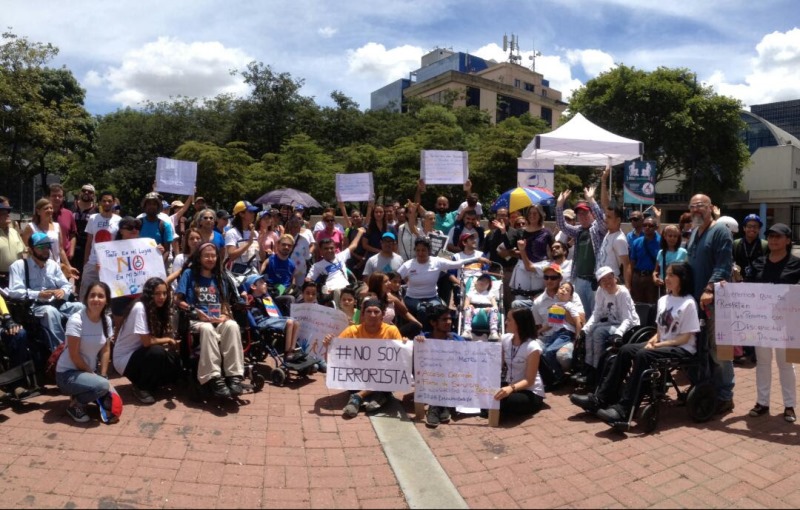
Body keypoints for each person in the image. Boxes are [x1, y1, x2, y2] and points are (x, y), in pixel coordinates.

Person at [578, 263, 701, 425]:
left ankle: (624, 409)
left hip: (682, 348)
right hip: (663, 344)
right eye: (667, 274)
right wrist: (652, 342)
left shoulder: (689, 303)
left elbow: (685, 338)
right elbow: (660, 332)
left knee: (644, 355)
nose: (667, 278)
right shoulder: (664, 300)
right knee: (625, 350)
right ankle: (601, 398)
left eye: (672, 275)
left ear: (682, 279)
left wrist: (657, 346)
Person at [743, 223, 799, 423]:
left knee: (786, 364)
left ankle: (789, 405)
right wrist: (727, 286)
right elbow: (746, 288)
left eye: (778, 236)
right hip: (761, 323)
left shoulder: (796, 264)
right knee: (763, 363)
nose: (774, 240)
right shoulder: (759, 263)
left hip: (786, 323)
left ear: (787, 240)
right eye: (771, 236)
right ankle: (762, 402)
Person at [175, 243, 246, 398]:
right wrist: (194, 311)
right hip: (196, 320)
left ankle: (234, 376)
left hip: (216, 319)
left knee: (232, 325)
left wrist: (225, 316)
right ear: (199, 258)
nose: (210, 259)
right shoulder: (189, 274)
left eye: (213, 256)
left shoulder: (220, 277)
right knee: (207, 329)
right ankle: (214, 378)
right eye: (206, 255)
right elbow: (177, 300)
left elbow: (225, 305)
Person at [685, 194, 734, 415]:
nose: (696, 210)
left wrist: (709, 289)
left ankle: (725, 396)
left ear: (710, 208)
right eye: (692, 206)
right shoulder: (694, 232)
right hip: (694, 301)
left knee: (719, 350)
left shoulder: (721, 231)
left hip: (716, 301)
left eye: (700, 206)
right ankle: (706, 389)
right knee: (701, 348)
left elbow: (723, 265)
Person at [322, 298, 403, 418]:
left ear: (383, 315)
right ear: (363, 314)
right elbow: (332, 361)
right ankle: (376, 397)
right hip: (357, 379)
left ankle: (358, 397)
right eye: (369, 311)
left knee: (388, 368)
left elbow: (400, 359)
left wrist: (404, 345)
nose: (372, 315)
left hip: (383, 377)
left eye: (376, 312)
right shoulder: (352, 331)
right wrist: (328, 347)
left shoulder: (391, 331)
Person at [7, 233, 85, 352]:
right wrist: (38, 294)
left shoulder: (53, 265)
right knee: (50, 312)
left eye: (47, 246)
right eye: (41, 247)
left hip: (56, 303)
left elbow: (66, 285)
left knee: (80, 307)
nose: (45, 250)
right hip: (34, 306)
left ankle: (83, 346)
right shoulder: (19, 266)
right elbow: (14, 292)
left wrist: (62, 291)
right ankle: (61, 352)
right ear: (31, 249)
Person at [113, 277, 181, 404]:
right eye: (157, 293)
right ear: (150, 294)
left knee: (174, 360)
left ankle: (156, 381)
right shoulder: (140, 307)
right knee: (157, 352)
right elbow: (147, 342)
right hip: (125, 359)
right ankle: (141, 387)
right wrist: (168, 339)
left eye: (164, 293)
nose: (162, 297)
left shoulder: (157, 308)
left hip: (140, 353)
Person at [55, 282, 113, 423]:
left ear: (106, 301)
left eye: (101, 296)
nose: (96, 299)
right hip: (66, 374)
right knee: (101, 386)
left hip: (86, 372)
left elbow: (105, 350)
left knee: (107, 395)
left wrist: (103, 375)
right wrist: (95, 377)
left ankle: (82, 393)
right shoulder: (76, 320)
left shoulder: (107, 320)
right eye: (92, 295)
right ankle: (76, 406)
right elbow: (74, 356)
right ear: (86, 298)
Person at [397, 237, 489, 323]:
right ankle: (422, 334)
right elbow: (395, 277)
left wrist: (477, 259)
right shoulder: (408, 265)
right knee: (423, 310)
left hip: (432, 297)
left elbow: (458, 264)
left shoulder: (437, 262)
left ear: (429, 251)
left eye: (423, 250)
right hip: (412, 298)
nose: (420, 253)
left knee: (440, 311)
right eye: (418, 250)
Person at [577, 266, 639, 390]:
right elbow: (597, 313)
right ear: (599, 282)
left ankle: (598, 371)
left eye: (610, 278)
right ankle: (589, 367)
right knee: (590, 332)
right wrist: (585, 329)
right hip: (612, 323)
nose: (607, 282)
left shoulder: (622, 292)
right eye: (603, 280)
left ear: (615, 278)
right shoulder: (601, 291)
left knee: (598, 332)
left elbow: (627, 319)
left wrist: (619, 333)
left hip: (628, 326)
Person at [555, 183, 607, 318]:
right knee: (581, 315)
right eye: (579, 214)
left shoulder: (598, 230)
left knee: (596, 316)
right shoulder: (578, 231)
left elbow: (602, 220)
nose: (582, 216)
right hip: (579, 280)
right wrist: (559, 205)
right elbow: (562, 225)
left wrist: (591, 200)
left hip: (594, 281)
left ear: (592, 214)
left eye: (585, 213)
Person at [413, 304, 466, 428]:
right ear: (433, 322)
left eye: (450, 319)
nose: (449, 322)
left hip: (451, 383)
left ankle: (438, 405)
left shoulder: (458, 340)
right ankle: (441, 405)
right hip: (429, 382)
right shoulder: (423, 338)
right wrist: (414, 343)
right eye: (444, 319)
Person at [532, 265, 584, 388]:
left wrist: (578, 337)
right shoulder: (539, 302)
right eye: (546, 277)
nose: (549, 280)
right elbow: (549, 324)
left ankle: (560, 376)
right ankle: (550, 377)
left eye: (553, 277)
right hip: (551, 335)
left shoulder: (571, 299)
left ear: (560, 278)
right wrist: (537, 333)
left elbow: (580, 320)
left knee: (560, 356)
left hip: (566, 335)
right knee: (540, 351)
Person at [494, 308, 546, 419]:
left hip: (530, 391)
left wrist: (510, 389)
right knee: (489, 395)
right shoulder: (504, 339)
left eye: (509, 320)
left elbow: (529, 380)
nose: (506, 322)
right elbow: (498, 365)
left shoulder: (532, 347)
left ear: (519, 323)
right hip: (510, 386)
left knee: (501, 401)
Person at [244, 274, 302, 362]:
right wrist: (244, 298)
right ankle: (287, 353)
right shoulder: (250, 299)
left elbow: (276, 315)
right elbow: (249, 315)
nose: (265, 284)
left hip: (269, 319)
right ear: (253, 286)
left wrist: (270, 302)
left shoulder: (266, 297)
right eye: (262, 282)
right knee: (289, 322)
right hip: (261, 322)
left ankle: (292, 349)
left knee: (296, 322)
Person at [79, 191, 121, 302]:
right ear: (100, 203)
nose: (107, 203)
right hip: (92, 262)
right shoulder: (93, 218)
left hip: (110, 264)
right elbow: (89, 242)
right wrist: (85, 263)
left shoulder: (119, 220)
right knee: (85, 293)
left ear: (114, 202)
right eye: (104, 201)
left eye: (109, 201)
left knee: (107, 294)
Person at [22, 198, 77, 278]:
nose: (50, 210)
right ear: (38, 211)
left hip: (55, 267)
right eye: (46, 208)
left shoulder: (57, 226)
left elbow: (60, 249)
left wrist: (68, 266)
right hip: (38, 267)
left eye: (51, 208)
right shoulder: (31, 227)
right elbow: (26, 249)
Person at [365, 271, 422, 337]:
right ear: (378, 284)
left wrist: (419, 325)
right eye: (386, 281)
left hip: (390, 332)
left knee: (415, 326)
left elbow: (404, 312)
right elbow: (362, 322)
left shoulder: (391, 298)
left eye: (389, 281)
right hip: (374, 334)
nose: (389, 283)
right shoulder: (369, 300)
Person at [629, 216, 662, 305]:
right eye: (645, 225)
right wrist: (630, 281)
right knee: (637, 305)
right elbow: (632, 263)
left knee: (652, 306)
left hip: (652, 279)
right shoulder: (636, 242)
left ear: (656, 227)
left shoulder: (661, 242)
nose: (647, 227)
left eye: (650, 225)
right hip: (637, 277)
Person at [597, 206, 632, 289]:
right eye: (606, 216)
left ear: (618, 220)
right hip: (602, 282)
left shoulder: (619, 239)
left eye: (609, 217)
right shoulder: (608, 233)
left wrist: (627, 288)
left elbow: (626, 264)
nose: (605, 220)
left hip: (612, 283)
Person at [461, 273, 500, 341]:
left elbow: (495, 306)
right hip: (474, 310)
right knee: (468, 309)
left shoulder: (490, 294)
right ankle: (467, 330)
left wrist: (490, 308)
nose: (484, 283)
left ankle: (493, 331)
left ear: (488, 286)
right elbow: (465, 306)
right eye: (482, 280)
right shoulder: (470, 293)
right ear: (476, 282)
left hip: (487, 311)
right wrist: (469, 305)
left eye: (486, 282)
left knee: (495, 310)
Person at [139, 192, 175, 263]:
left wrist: (159, 266)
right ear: (145, 207)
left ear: (158, 207)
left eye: (154, 204)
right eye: (149, 204)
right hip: (139, 264)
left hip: (158, 265)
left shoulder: (165, 225)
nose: (151, 206)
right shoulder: (138, 224)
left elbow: (167, 250)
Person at [225, 200, 260, 273]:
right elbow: (231, 256)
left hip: (255, 270)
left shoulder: (255, 233)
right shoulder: (232, 233)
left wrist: (260, 241)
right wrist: (248, 243)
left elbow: (261, 257)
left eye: (253, 212)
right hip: (239, 274)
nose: (253, 214)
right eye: (250, 212)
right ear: (241, 214)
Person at [49, 184, 78, 269]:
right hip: (46, 258)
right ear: (48, 197)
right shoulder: (42, 214)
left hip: (65, 258)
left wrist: (71, 251)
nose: (57, 198)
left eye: (59, 196)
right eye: (54, 196)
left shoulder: (68, 214)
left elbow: (73, 235)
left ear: (63, 198)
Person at [732, 214, 768, 282]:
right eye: (749, 226)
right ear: (744, 228)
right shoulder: (736, 244)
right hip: (739, 284)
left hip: (758, 284)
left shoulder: (765, 245)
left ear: (759, 229)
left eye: (755, 227)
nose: (752, 229)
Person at [71, 184, 98, 273]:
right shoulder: (71, 206)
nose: (86, 192)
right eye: (84, 190)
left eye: (90, 192)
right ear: (80, 192)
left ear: (93, 195)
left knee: (82, 275)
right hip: (71, 244)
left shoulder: (97, 209)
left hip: (86, 246)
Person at [653, 224, 688, 290]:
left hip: (679, 288)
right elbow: (656, 271)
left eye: (675, 236)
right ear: (665, 236)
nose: (672, 238)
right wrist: (655, 278)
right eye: (670, 236)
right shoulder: (661, 253)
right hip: (664, 287)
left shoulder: (683, 252)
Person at [0, 201, 25, 288]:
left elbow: (23, 252)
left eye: (7, 213)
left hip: (17, 276)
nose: (7, 215)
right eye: (3, 213)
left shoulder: (14, 232)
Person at [286, 216, 315, 287]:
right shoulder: (285, 238)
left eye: (298, 226)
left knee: (298, 288)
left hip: (300, 271)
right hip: (286, 268)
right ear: (289, 227)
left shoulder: (304, 240)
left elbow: (307, 256)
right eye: (293, 226)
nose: (296, 228)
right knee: (285, 287)